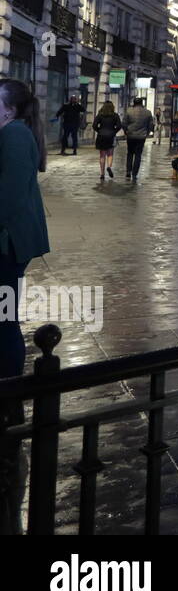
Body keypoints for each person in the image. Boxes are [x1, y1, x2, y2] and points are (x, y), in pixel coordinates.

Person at [0, 79, 50, 382]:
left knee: (4, 321)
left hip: (8, 244)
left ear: (9, 110)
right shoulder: (11, 132)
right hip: (9, 242)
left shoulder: (15, 135)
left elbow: (11, 196)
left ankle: (9, 395)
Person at [122, 97, 154, 182]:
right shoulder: (147, 112)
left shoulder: (129, 111)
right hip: (141, 136)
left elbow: (124, 123)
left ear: (134, 103)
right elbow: (151, 124)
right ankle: (134, 173)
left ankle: (128, 171)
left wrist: (126, 131)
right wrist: (147, 133)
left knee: (130, 153)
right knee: (138, 155)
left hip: (131, 135)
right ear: (142, 103)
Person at [91, 102, 122, 181]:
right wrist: (114, 131)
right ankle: (109, 167)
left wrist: (99, 130)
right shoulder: (115, 115)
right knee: (110, 154)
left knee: (102, 155)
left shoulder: (100, 115)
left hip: (101, 136)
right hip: (111, 136)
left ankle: (102, 174)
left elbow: (94, 125)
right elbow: (119, 126)